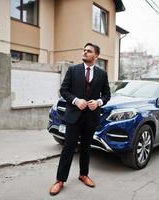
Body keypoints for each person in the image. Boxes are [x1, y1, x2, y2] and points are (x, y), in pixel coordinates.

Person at [49, 43, 111, 195]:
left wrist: (98, 102)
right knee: (68, 148)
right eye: (84, 50)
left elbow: (107, 95)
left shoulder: (102, 74)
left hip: (91, 117)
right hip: (74, 116)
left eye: (88, 51)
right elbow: (63, 90)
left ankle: (84, 175)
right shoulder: (73, 70)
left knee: (86, 148)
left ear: (96, 56)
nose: (85, 52)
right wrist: (76, 100)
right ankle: (60, 180)